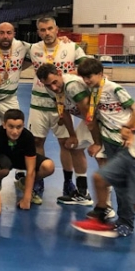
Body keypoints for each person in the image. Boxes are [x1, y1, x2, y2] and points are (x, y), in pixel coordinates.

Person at [28, 16, 88, 203]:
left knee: (66, 143)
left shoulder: (71, 47)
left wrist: (70, 77)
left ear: (57, 29)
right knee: (37, 141)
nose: (47, 33)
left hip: (63, 105)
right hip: (39, 103)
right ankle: (39, 180)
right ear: (38, 32)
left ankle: (68, 183)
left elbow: (87, 69)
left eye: (50, 29)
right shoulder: (33, 49)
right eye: (43, 30)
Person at [77, 58, 135, 235]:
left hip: (125, 143)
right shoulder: (92, 91)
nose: (87, 80)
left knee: (123, 184)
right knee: (114, 182)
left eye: (90, 77)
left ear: (101, 74)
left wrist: (131, 132)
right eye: (84, 78)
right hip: (109, 141)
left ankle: (126, 222)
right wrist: (98, 143)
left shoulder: (114, 89)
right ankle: (112, 216)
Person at [72, 94, 135, 238]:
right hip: (130, 152)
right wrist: (127, 127)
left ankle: (125, 222)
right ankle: (100, 219)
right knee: (99, 178)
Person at [36, 63, 97, 205]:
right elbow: (64, 111)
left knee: (102, 156)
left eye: (54, 82)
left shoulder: (72, 86)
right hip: (90, 118)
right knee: (75, 147)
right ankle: (83, 193)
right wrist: (73, 136)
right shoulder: (50, 88)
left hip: (101, 117)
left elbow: (88, 114)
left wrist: (97, 142)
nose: (53, 88)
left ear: (59, 73)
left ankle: (107, 203)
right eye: (48, 85)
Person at [0, 109, 55, 217]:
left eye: (19, 127)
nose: (15, 131)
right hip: (4, 161)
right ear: (4, 125)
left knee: (49, 166)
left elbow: (31, 170)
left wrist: (26, 198)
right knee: (2, 169)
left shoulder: (27, 137)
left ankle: (23, 182)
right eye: (11, 127)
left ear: (23, 125)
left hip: (21, 159)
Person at [0, 23, 33, 141]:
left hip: (10, 99)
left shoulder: (22, 46)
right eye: (2, 33)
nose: (5, 36)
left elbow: (42, 47)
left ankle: (10, 158)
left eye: (9, 33)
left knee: (15, 133)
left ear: (14, 34)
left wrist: (61, 39)